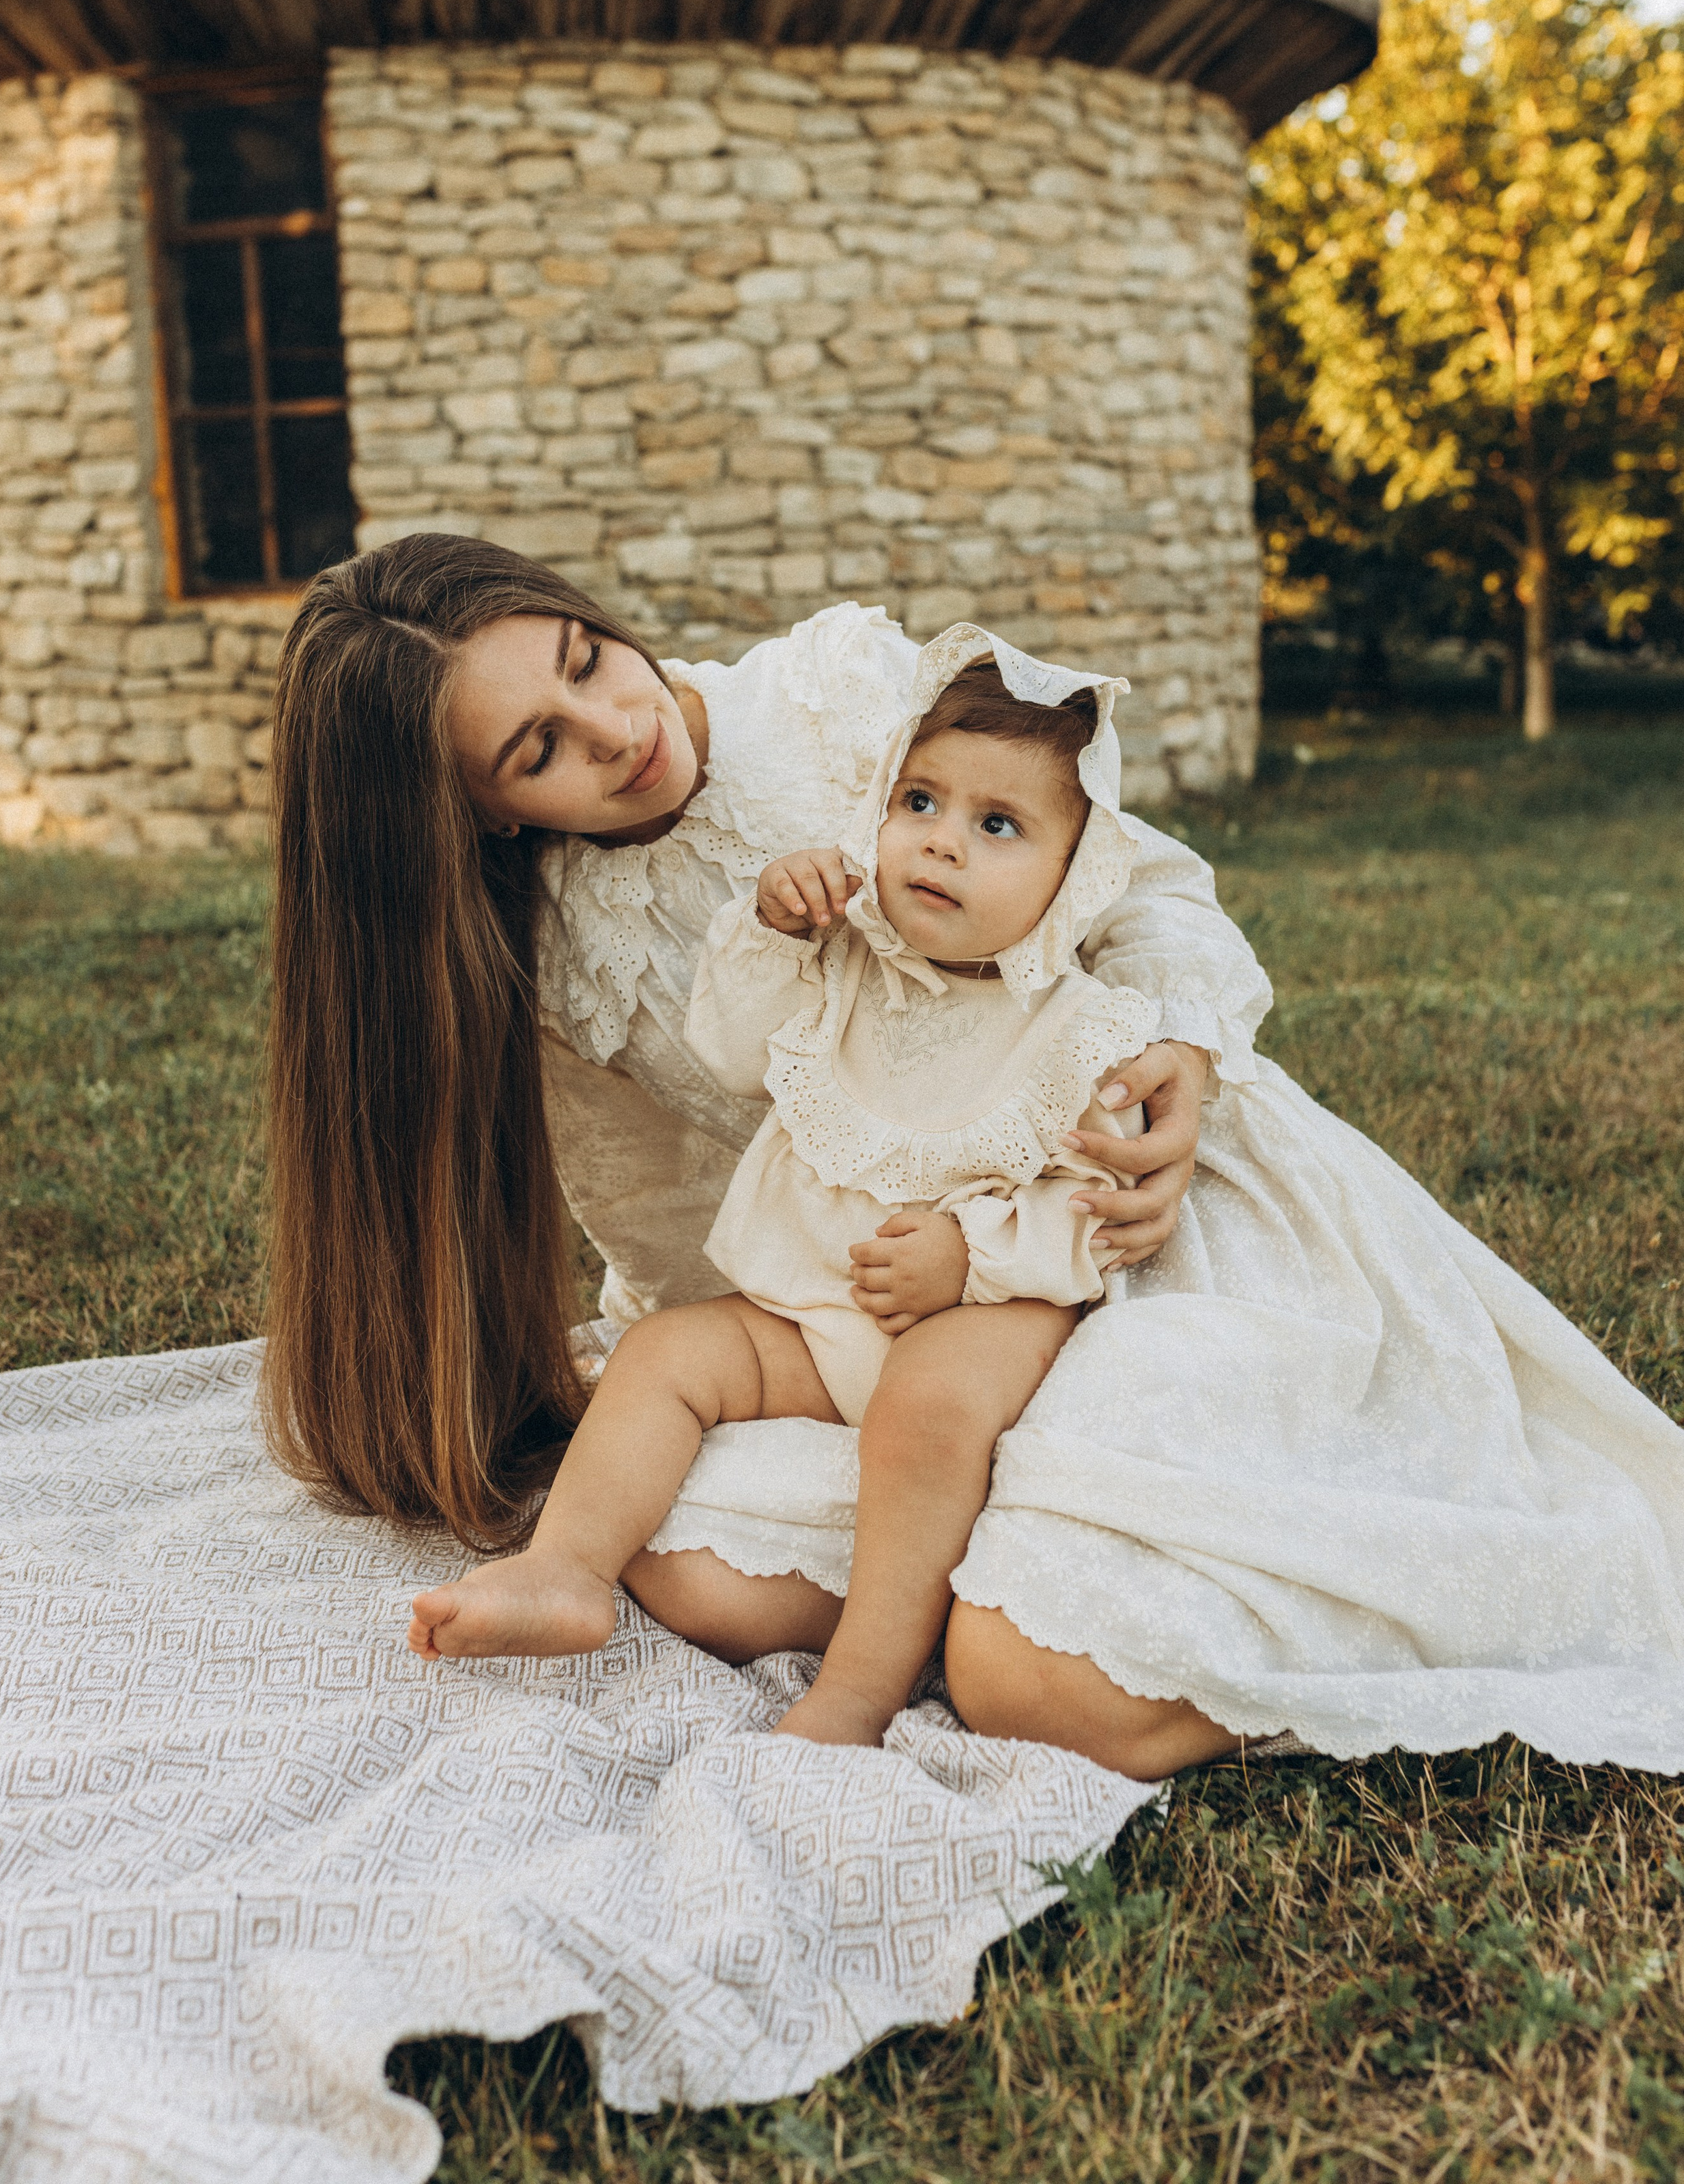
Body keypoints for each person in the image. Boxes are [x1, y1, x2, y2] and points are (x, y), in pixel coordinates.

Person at [260, 537, 1247, 1651]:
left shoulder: (836, 695)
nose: (620, 733)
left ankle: (985, 1594)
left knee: (1067, 1497)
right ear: (479, 809)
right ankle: (930, 1576)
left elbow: (1142, 875)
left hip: (1089, 1205)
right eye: (541, 750)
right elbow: (647, 1190)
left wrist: (1185, 1048)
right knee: (697, 1570)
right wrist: (684, 1364)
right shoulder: (554, 941)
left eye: (587, 662)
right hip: (862, 1292)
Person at [405, 639, 1159, 1748]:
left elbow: (1102, 1213)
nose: (944, 839)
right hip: (819, 1317)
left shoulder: (1083, 1027)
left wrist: (971, 1256)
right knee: (668, 1358)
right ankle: (562, 1569)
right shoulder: (847, 955)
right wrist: (769, 929)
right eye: (920, 800)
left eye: (998, 827)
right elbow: (728, 1051)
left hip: (985, 1319)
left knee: (927, 1409)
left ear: (1074, 872)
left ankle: (856, 1691)